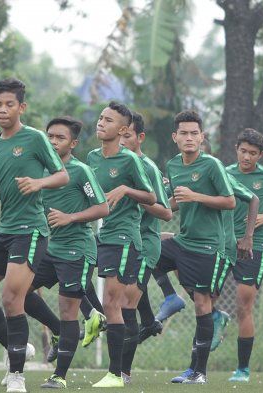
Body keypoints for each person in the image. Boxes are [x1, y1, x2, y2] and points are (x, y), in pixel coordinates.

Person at [0, 78, 69, 393]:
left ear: (22, 107)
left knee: (11, 297)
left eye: (9, 104)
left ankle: (16, 375)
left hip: (30, 230)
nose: (3, 110)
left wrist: (38, 183)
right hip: (4, 230)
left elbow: (62, 174)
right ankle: (19, 345)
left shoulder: (34, 139)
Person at [28, 116, 110, 388]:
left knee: (68, 310)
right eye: (49, 136)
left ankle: (59, 376)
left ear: (72, 143)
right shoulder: (42, 170)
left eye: (59, 137)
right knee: (18, 293)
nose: (53, 141)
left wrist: (70, 217)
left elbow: (102, 208)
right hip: (48, 249)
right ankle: (58, 330)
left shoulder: (80, 171)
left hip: (76, 250)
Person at [155, 110, 236, 384]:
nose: (189, 138)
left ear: (202, 137)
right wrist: (155, 207)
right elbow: (176, 202)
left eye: (194, 133)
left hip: (208, 247)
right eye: (184, 133)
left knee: (202, 305)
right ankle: (167, 300)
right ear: (174, 137)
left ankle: (198, 372)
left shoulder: (212, 165)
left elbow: (229, 201)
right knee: (147, 254)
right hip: (183, 240)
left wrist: (196, 196)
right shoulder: (173, 165)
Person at [87, 102, 157, 388]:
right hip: (102, 236)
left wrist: (126, 189)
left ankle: (116, 374)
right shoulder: (91, 157)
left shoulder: (130, 161)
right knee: (67, 272)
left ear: (124, 130)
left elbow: (152, 198)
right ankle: (91, 317)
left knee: (113, 303)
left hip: (125, 237)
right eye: (101, 118)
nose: (101, 123)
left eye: (109, 120)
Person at [224, 128, 263, 382]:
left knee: (243, 305)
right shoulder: (226, 174)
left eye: (253, 153)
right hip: (226, 244)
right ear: (236, 149)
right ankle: (199, 365)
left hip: (256, 246)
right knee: (205, 296)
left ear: (260, 155)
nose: (247, 157)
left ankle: (243, 369)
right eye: (243, 151)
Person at [116, 112, 173, 384]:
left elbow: (166, 213)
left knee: (126, 304)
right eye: (120, 134)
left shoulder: (147, 168)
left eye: (127, 135)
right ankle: (149, 321)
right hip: (117, 241)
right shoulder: (111, 163)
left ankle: (122, 373)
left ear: (140, 137)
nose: (122, 140)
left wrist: (133, 195)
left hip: (144, 245)